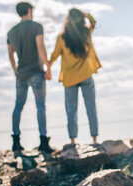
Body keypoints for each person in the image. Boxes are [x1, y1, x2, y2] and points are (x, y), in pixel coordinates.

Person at [48, 8, 101, 144]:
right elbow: (93, 21)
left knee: (71, 111)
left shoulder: (62, 37)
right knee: (91, 108)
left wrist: (47, 67)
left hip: (70, 78)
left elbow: (54, 55)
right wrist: (84, 14)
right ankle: (94, 139)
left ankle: (73, 140)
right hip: (86, 76)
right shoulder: (86, 33)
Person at [7, 2, 54, 153]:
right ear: (28, 10)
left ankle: (16, 141)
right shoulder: (36, 26)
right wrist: (47, 67)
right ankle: (43, 141)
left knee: (18, 106)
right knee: (40, 106)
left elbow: (11, 55)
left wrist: (15, 71)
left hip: (21, 74)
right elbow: (40, 47)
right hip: (36, 71)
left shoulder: (11, 32)